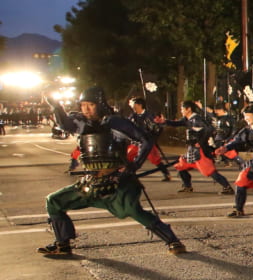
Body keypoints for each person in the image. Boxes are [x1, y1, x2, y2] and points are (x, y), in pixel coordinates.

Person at [38, 87, 185, 257]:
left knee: (133, 211)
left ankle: (172, 240)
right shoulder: (80, 122)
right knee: (54, 201)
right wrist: (56, 105)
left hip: (117, 181)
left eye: (90, 105)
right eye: (83, 105)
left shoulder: (115, 122)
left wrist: (134, 165)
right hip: (91, 181)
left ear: (99, 104)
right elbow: (64, 124)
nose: (86, 109)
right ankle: (62, 244)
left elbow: (145, 140)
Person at [162, 101, 234, 195]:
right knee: (181, 165)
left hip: (200, 151)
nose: (181, 110)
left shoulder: (197, 119)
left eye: (182, 109)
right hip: (191, 149)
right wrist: (164, 121)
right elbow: (177, 123)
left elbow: (209, 130)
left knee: (209, 171)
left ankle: (227, 187)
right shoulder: (187, 119)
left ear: (189, 109)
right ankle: (187, 186)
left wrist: (201, 142)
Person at [126, 97, 173, 181]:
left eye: (135, 105)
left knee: (155, 159)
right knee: (128, 156)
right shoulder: (133, 116)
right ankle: (128, 173)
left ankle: (166, 173)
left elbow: (158, 127)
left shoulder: (150, 116)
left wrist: (154, 136)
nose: (133, 107)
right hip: (136, 142)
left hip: (147, 142)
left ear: (140, 105)